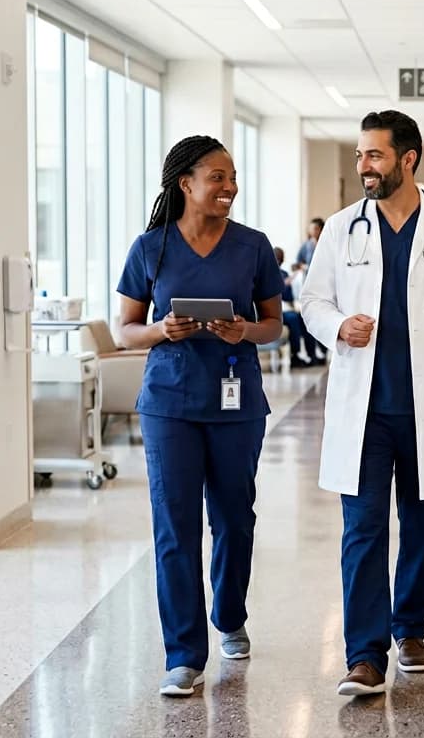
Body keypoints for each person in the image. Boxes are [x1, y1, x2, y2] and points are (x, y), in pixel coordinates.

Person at [300, 110, 424, 697]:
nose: (363, 166)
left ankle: (410, 628)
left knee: (422, 524)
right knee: (361, 530)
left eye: (374, 156)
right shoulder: (342, 229)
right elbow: (312, 302)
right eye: (360, 155)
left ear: (408, 159)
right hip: (363, 408)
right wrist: (338, 326)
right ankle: (364, 653)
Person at [115, 135, 285, 698]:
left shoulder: (253, 247)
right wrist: (164, 329)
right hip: (170, 403)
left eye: (233, 177)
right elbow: (125, 330)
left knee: (235, 519)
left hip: (236, 403)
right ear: (185, 183)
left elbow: (273, 325)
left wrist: (243, 331)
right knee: (175, 527)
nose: (229, 186)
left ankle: (229, 614)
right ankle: (183, 654)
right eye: (218, 176)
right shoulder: (150, 248)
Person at [274, 247, 314, 367]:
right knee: (293, 319)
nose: (279, 261)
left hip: (286, 308)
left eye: (280, 258)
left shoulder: (284, 274)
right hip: (275, 311)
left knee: (304, 319)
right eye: (278, 258)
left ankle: (312, 355)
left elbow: (289, 297)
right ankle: (295, 355)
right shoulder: (266, 274)